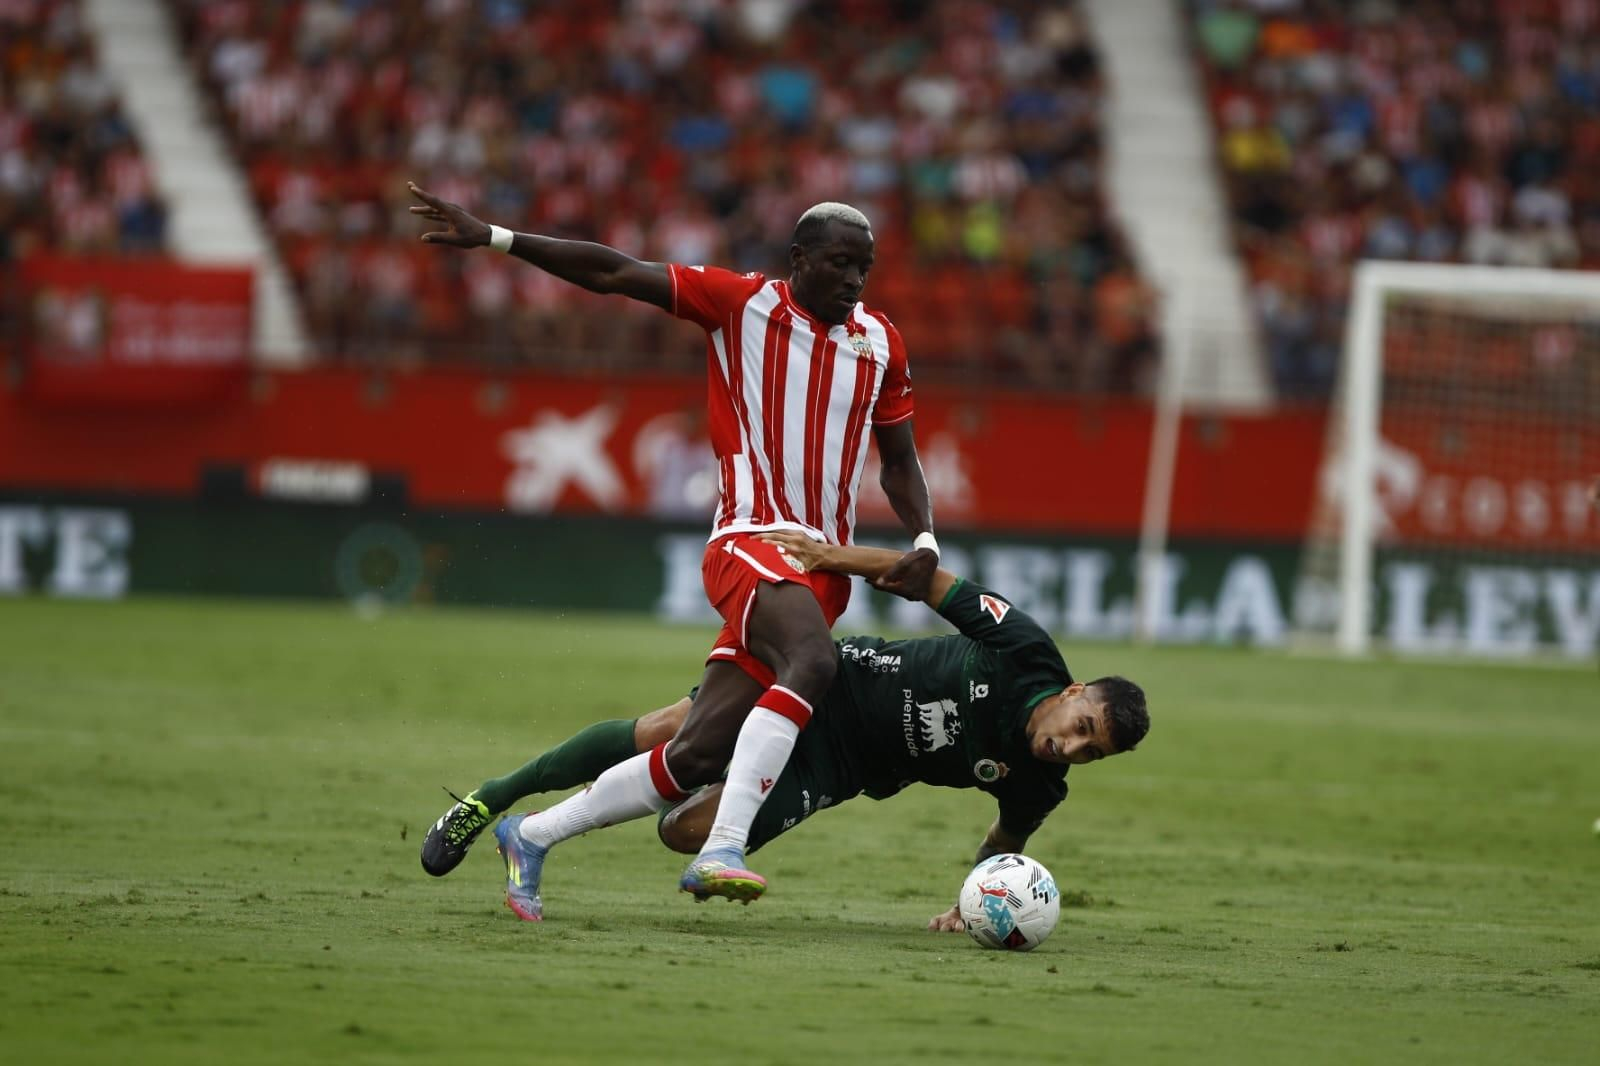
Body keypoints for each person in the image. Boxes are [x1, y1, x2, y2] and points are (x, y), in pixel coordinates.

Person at [409, 183, 939, 903]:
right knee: (813, 662)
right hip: (752, 539)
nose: (853, 280)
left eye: (864, 268)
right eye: (840, 262)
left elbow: (900, 460)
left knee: (693, 750)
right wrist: (499, 239)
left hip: (826, 571)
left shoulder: (881, 343)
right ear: (798, 259)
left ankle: (529, 835)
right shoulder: (740, 303)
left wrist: (925, 539)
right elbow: (615, 271)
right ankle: (721, 849)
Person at [422, 534, 1151, 925]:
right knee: (670, 731)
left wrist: (974, 902)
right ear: (1073, 691)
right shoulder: (1026, 651)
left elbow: (1005, 847)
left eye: (1092, 753)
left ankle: (564, 820)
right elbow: (926, 579)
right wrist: (828, 556)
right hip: (834, 679)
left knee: (683, 831)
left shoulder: (1039, 784)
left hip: (840, 769)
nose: (1073, 747)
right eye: (1081, 726)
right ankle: (492, 798)